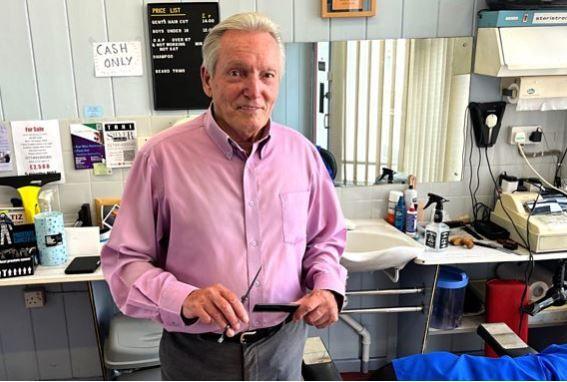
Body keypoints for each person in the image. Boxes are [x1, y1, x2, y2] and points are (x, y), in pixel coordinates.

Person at [101, 12, 347, 380]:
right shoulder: (161, 157)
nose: (254, 89)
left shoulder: (303, 155)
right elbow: (125, 262)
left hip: (283, 348)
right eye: (236, 72)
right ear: (207, 79)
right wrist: (184, 298)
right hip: (198, 357)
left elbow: (324, 240)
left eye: (267, 75)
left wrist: (328, 288)